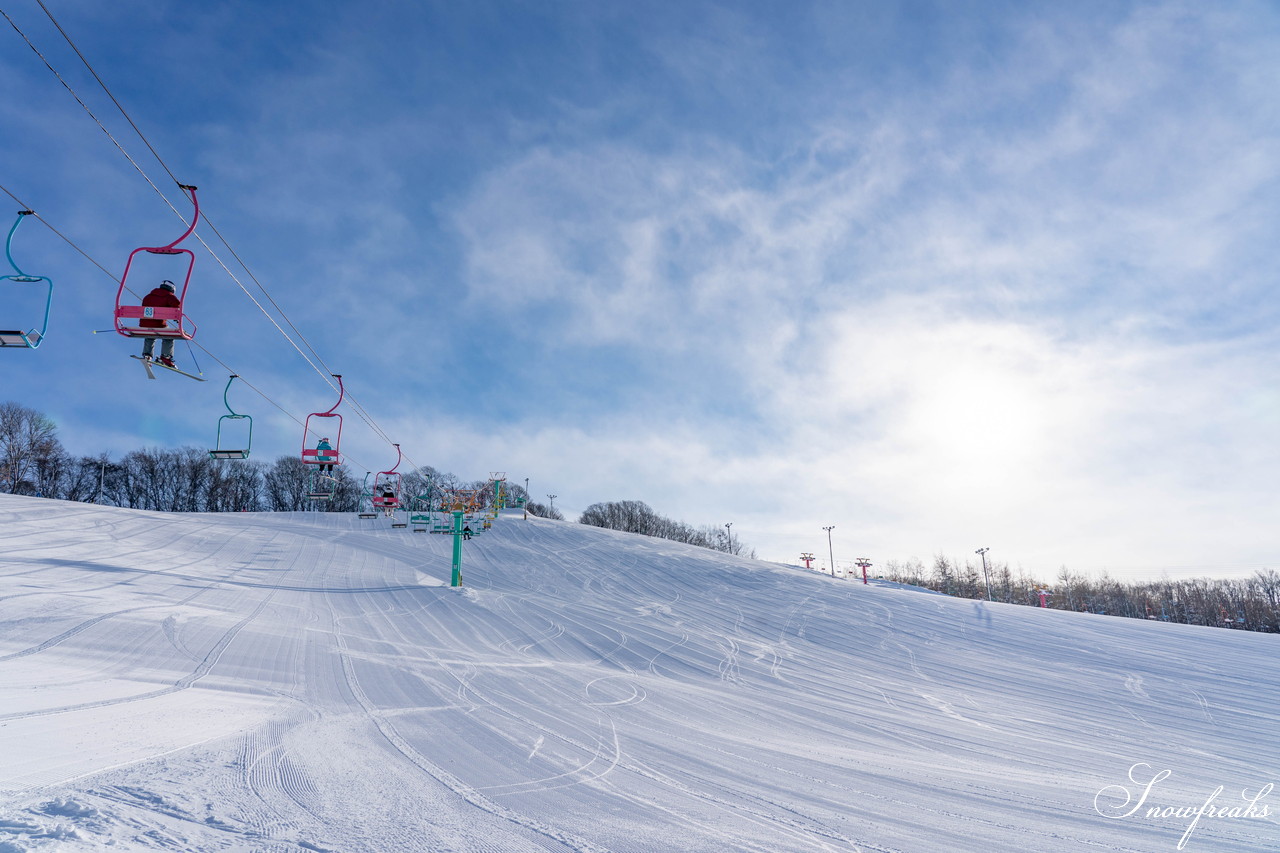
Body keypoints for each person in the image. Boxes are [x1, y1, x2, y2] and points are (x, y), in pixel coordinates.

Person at [140, 280, 182, 368]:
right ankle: (166, 356)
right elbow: (178, 306)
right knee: (169, 336)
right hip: (158, 325)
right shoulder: (169, 296)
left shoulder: (148, 296)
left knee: (150, 333)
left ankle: (147, 354)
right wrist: (177, 317)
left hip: (144, 324)